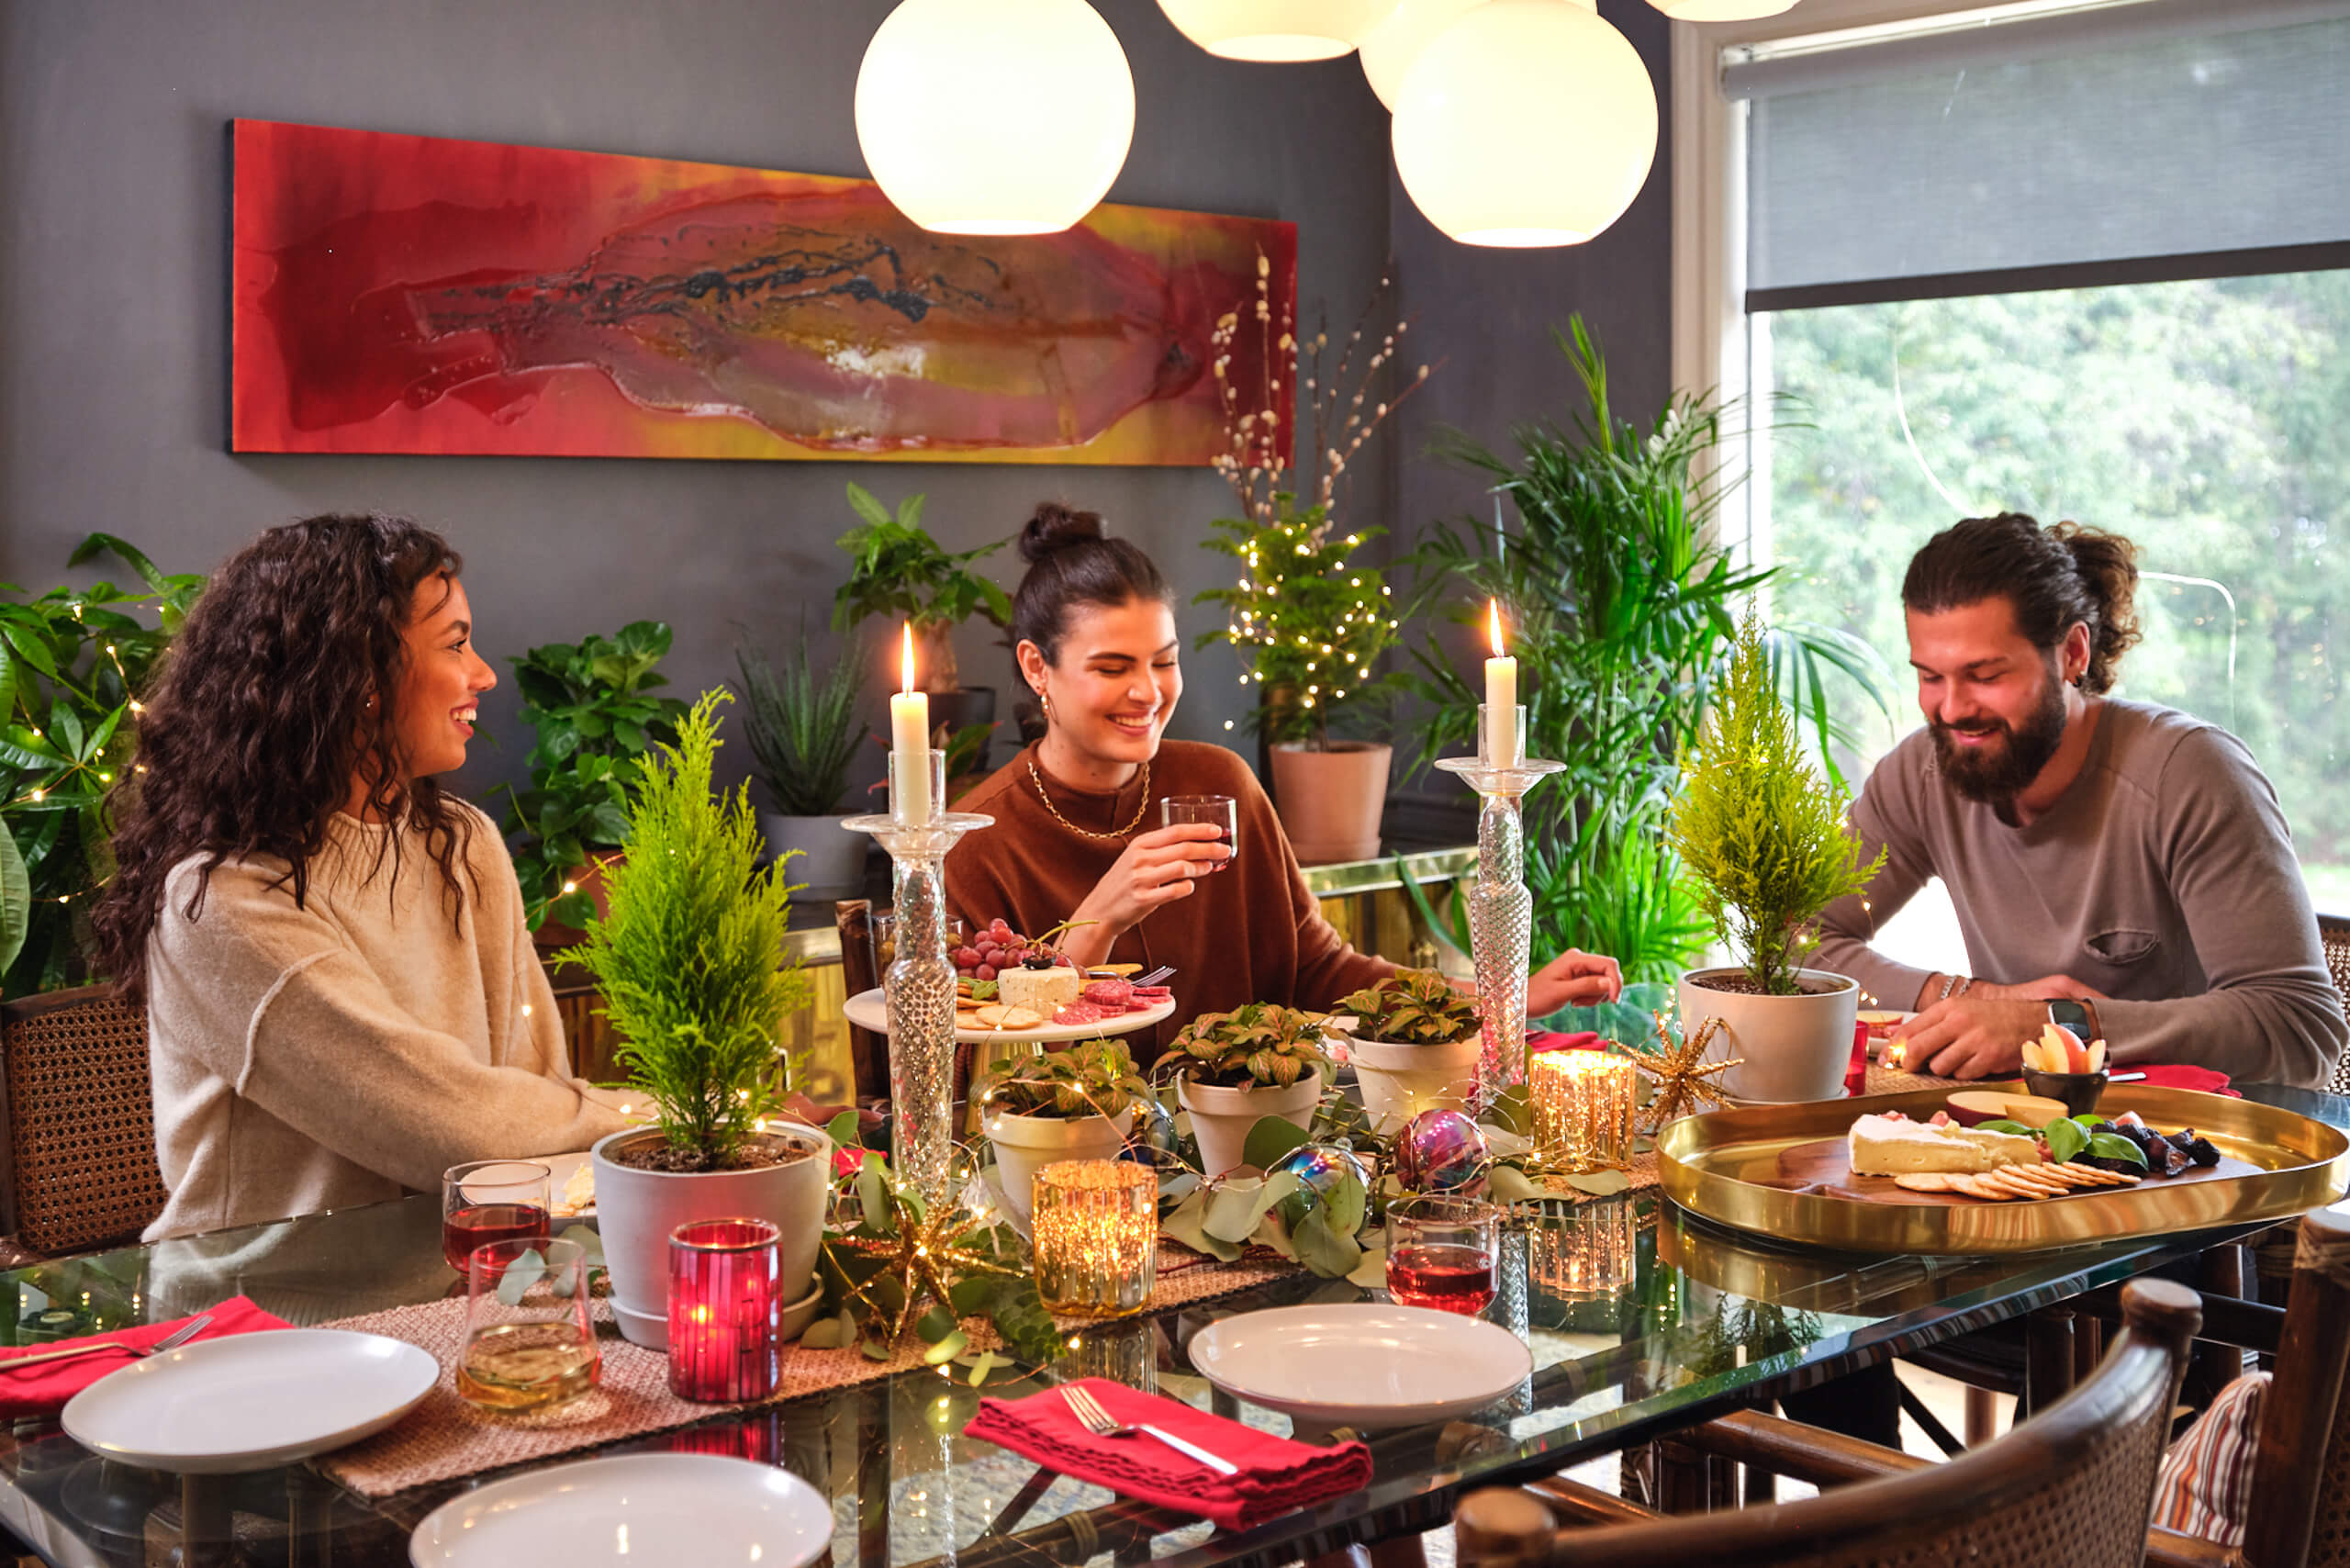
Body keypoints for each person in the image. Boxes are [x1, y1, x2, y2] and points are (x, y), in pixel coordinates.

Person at [94, 514, 633, 1240]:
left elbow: (530, 1108)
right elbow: (448, 1124)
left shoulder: (462, 845)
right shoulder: (221, 900)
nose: (485, 674)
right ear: (362, 676)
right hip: (265, 1314)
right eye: (456, 644)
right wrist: (672, 1113)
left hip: (462, 1277)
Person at [944, 502, 1621, 1057]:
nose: (1148, 693)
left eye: (1164, 662)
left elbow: (1322, 973)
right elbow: (984, 1082)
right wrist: (1098, 924)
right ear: (1038, 668)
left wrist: (1504, 994)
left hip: (1251, 1153)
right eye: (1113, 667)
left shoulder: (1219, 783)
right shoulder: (979, 843)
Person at [1812, 512, 2345, 1089]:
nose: (1952, 709)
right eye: (1930, 677)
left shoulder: (2190, 774)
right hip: (2019, 1143)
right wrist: (1968, 996)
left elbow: (2301, 1030)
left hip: (2201, 1152)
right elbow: (1795, 940)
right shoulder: (1923, 772)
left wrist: (2060, 1026)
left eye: (1985, 675)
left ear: (2071, 653)